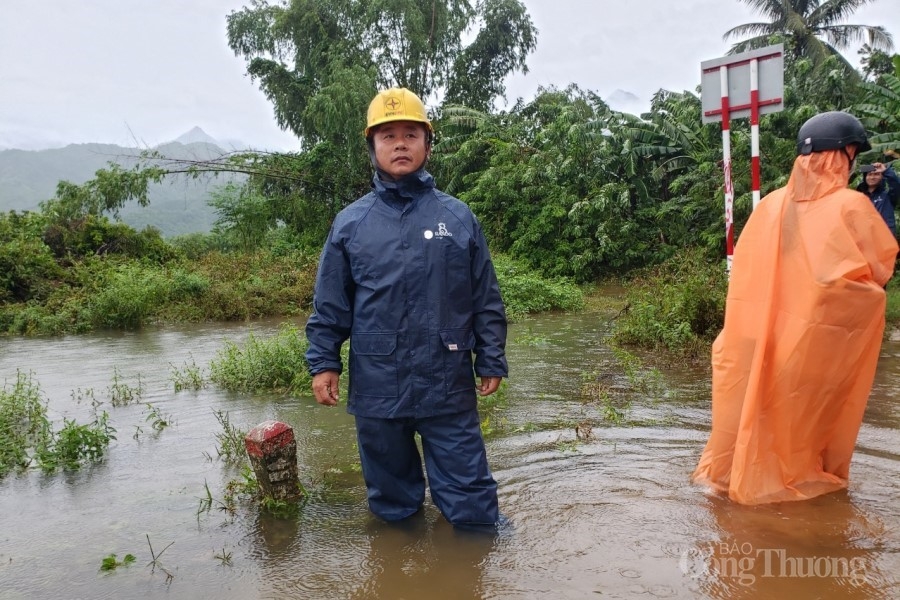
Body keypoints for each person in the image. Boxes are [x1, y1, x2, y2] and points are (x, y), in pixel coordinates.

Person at [305, 87, 508, 529]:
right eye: (388, 135)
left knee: (471, 499)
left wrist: (490, 356)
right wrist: (324, 363)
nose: (400, 143)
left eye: (411, 134)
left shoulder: (457, 218)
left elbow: (485, 298)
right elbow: (330, 305)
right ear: (372, 148)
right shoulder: (351, 223)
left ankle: (478, 567)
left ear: (427, 145)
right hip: (378, 384)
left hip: (447, 380)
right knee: (391, 503)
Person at [692, 111, 899, 505]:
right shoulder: (851, 206)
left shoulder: (769, 205)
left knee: (750, 407)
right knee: (800, 420)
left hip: (753, 337)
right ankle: (781, 496)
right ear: (846, 154)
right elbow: (877, 270)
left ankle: (728, 482)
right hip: (811, 342)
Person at [856, 161, 899, 236]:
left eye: (876, 174)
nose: (872, 177)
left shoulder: (887, 196)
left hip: (885, 236)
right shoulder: (859, 197)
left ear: (882, 177)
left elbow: (896, 185)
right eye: (869, 174)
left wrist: (885, 170)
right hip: (865, 236)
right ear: (865, 177)